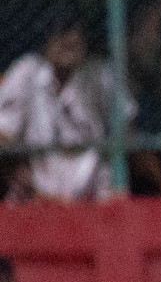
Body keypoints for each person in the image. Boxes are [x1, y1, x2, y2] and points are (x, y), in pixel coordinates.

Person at [0, 19, 133, 202]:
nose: (70, 41)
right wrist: (18, 171)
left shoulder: (98, 74)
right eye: (62, 36)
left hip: (93, 192)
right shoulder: (27, 72)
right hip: (39, 193)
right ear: (48, 42)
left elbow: (127, 123)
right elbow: (3, 132)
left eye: (76, 36)